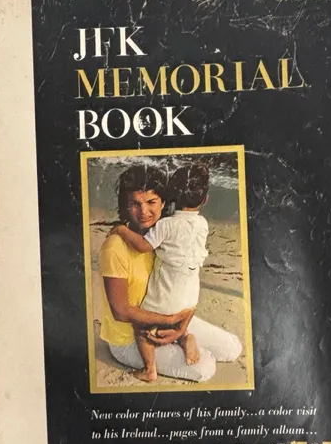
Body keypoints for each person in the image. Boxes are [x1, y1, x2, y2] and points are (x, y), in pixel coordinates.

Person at [98, 164, 242, 383]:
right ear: (126, 206)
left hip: (167, 317)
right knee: (205, 367)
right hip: (129, 338)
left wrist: (180, 327)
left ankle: (182, 339)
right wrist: (172, 320)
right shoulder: (116, 247)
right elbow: (121, 311)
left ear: (164, 202)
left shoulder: (164, 235)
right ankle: (177, 343)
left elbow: (184, 280)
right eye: (135, 204)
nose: (144, 212)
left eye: (151, 202)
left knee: (232, 347)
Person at [111, 163, 210, 383]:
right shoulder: (203, 224)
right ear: (205, 200)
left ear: (168, 198)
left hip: (167, 296)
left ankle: (149, 369)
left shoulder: (166, 225)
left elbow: (144, 246)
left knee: (143, 329)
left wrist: (122, 230)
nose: (144, 210)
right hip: (190, 296)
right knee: (172, 323)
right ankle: (184, 337)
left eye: (151, 202)